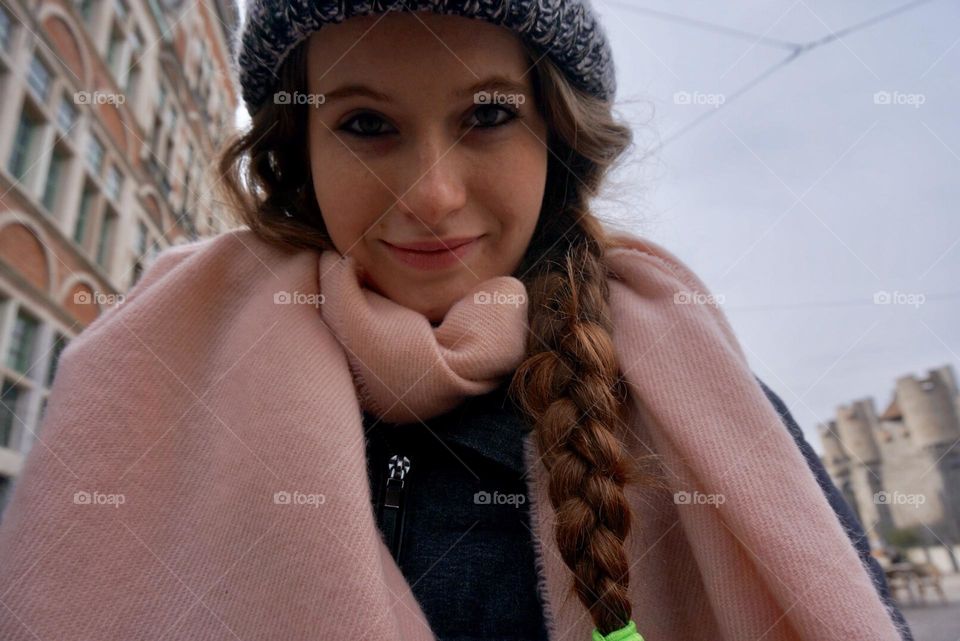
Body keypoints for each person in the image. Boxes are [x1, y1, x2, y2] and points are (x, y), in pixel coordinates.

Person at [0, 2, 913, 640]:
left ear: (555, 138)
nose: (431, 196)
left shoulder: (707, 404)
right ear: (298, 151)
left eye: (486, 114)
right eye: (365, 124)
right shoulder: (158, 372)